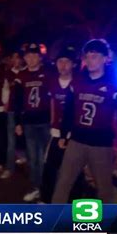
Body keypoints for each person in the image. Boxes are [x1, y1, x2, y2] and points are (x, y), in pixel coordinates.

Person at [51, 39, 117, 234]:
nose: (90, 60)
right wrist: (63, 134)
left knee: (103, 186)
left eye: (95, 55)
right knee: (63, 180)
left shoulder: (116, 84)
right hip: (77, 140)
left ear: (105, 58)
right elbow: (69, 111)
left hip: (101, 144)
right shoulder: (78, 81)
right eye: (87, 56)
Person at [39, 46, 85, 204]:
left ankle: (76, 205)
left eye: (67, 61)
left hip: (74, 134)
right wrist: (53, 125)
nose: (63, 65)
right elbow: (52, 103)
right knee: (50, 167)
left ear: (73, 64)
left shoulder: (79, 82)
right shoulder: (52, 81)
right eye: (60, 61)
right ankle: (46, 199)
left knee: (75, 171)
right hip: (56, 132)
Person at [14, 43, 51, 202]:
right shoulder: (21, 76)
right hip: (28, 122)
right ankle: (36, 187)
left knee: (44, 158)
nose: (31, 58)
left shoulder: (48, 74)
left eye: (34, 55)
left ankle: (46, 189)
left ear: (40, 57)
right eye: (28, 56)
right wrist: (18, 122)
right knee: (32, 158)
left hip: (45, 121)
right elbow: (17, 101)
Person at [3, 49, 26, 179]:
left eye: (18, 57)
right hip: (12, 110)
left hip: (27, 111)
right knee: (11, 140)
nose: (16, 60)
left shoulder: (27, 72)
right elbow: (5, 91)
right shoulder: (8, 74)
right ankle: (9, 167)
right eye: (13, 57)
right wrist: (5, 104)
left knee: (28, 138)